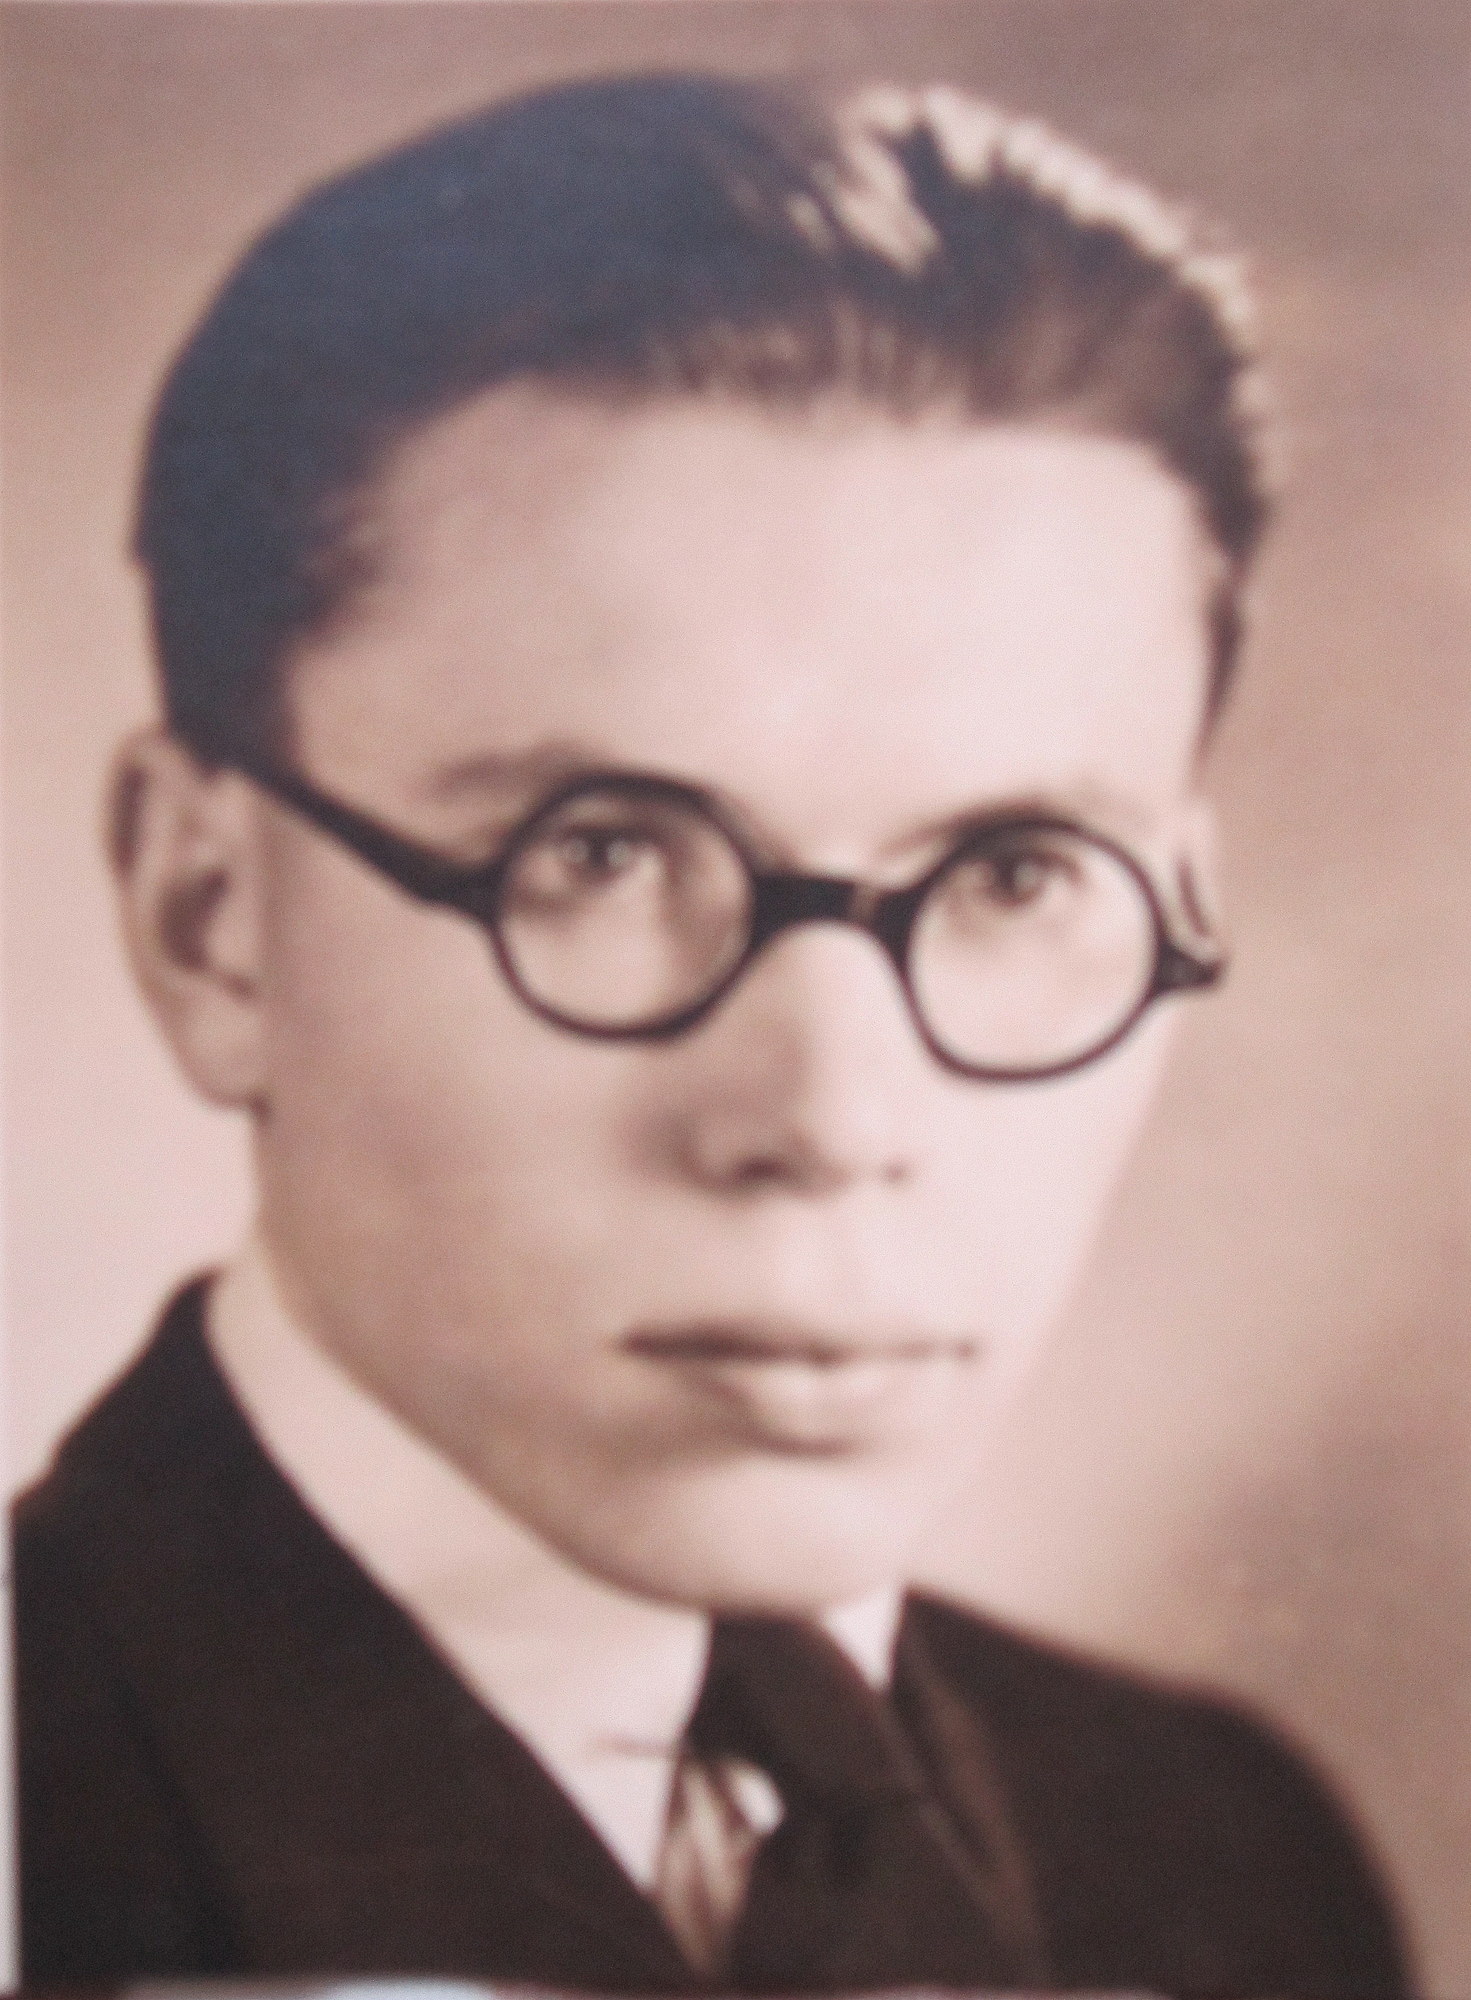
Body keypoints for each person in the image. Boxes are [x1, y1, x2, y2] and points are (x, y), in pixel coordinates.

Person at [13, 70, 1410, 1994]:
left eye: (1016, 874)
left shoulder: (1223, 1856)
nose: (829, 1116)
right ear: (209, 921)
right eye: (598, 854)